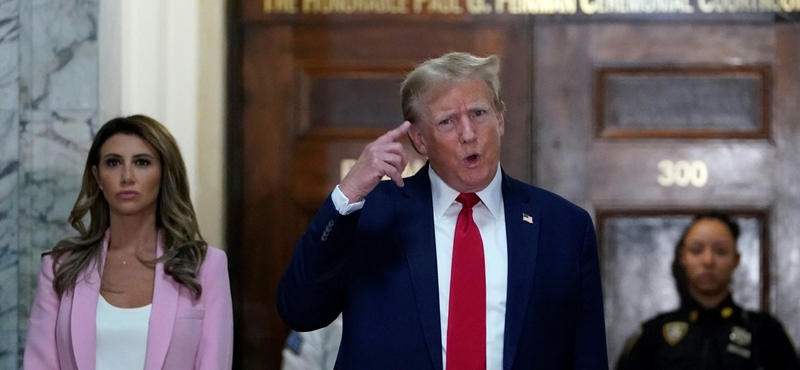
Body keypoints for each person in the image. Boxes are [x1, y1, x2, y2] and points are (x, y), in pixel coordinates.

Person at [277, 52, 608, 369]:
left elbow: (588, 357)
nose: (468, 134)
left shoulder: (564, 227)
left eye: (479, 114)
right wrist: (348, 193)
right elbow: (300, 309)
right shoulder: (370, 215)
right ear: (420, 140)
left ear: (500, 121)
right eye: (448, 121)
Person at [24, 115, 233, 370]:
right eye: (113, 163)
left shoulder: (206, 266)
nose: (127, 176)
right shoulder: (61, 267)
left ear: (164, 173)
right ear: (97, 176)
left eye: (142, 162)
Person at [616, 213, 800, 370]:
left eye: (720, 251)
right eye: (696, 250)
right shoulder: (653, 335)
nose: (708, 260)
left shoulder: (765, 332)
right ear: (683, 258)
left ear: (736, 260)